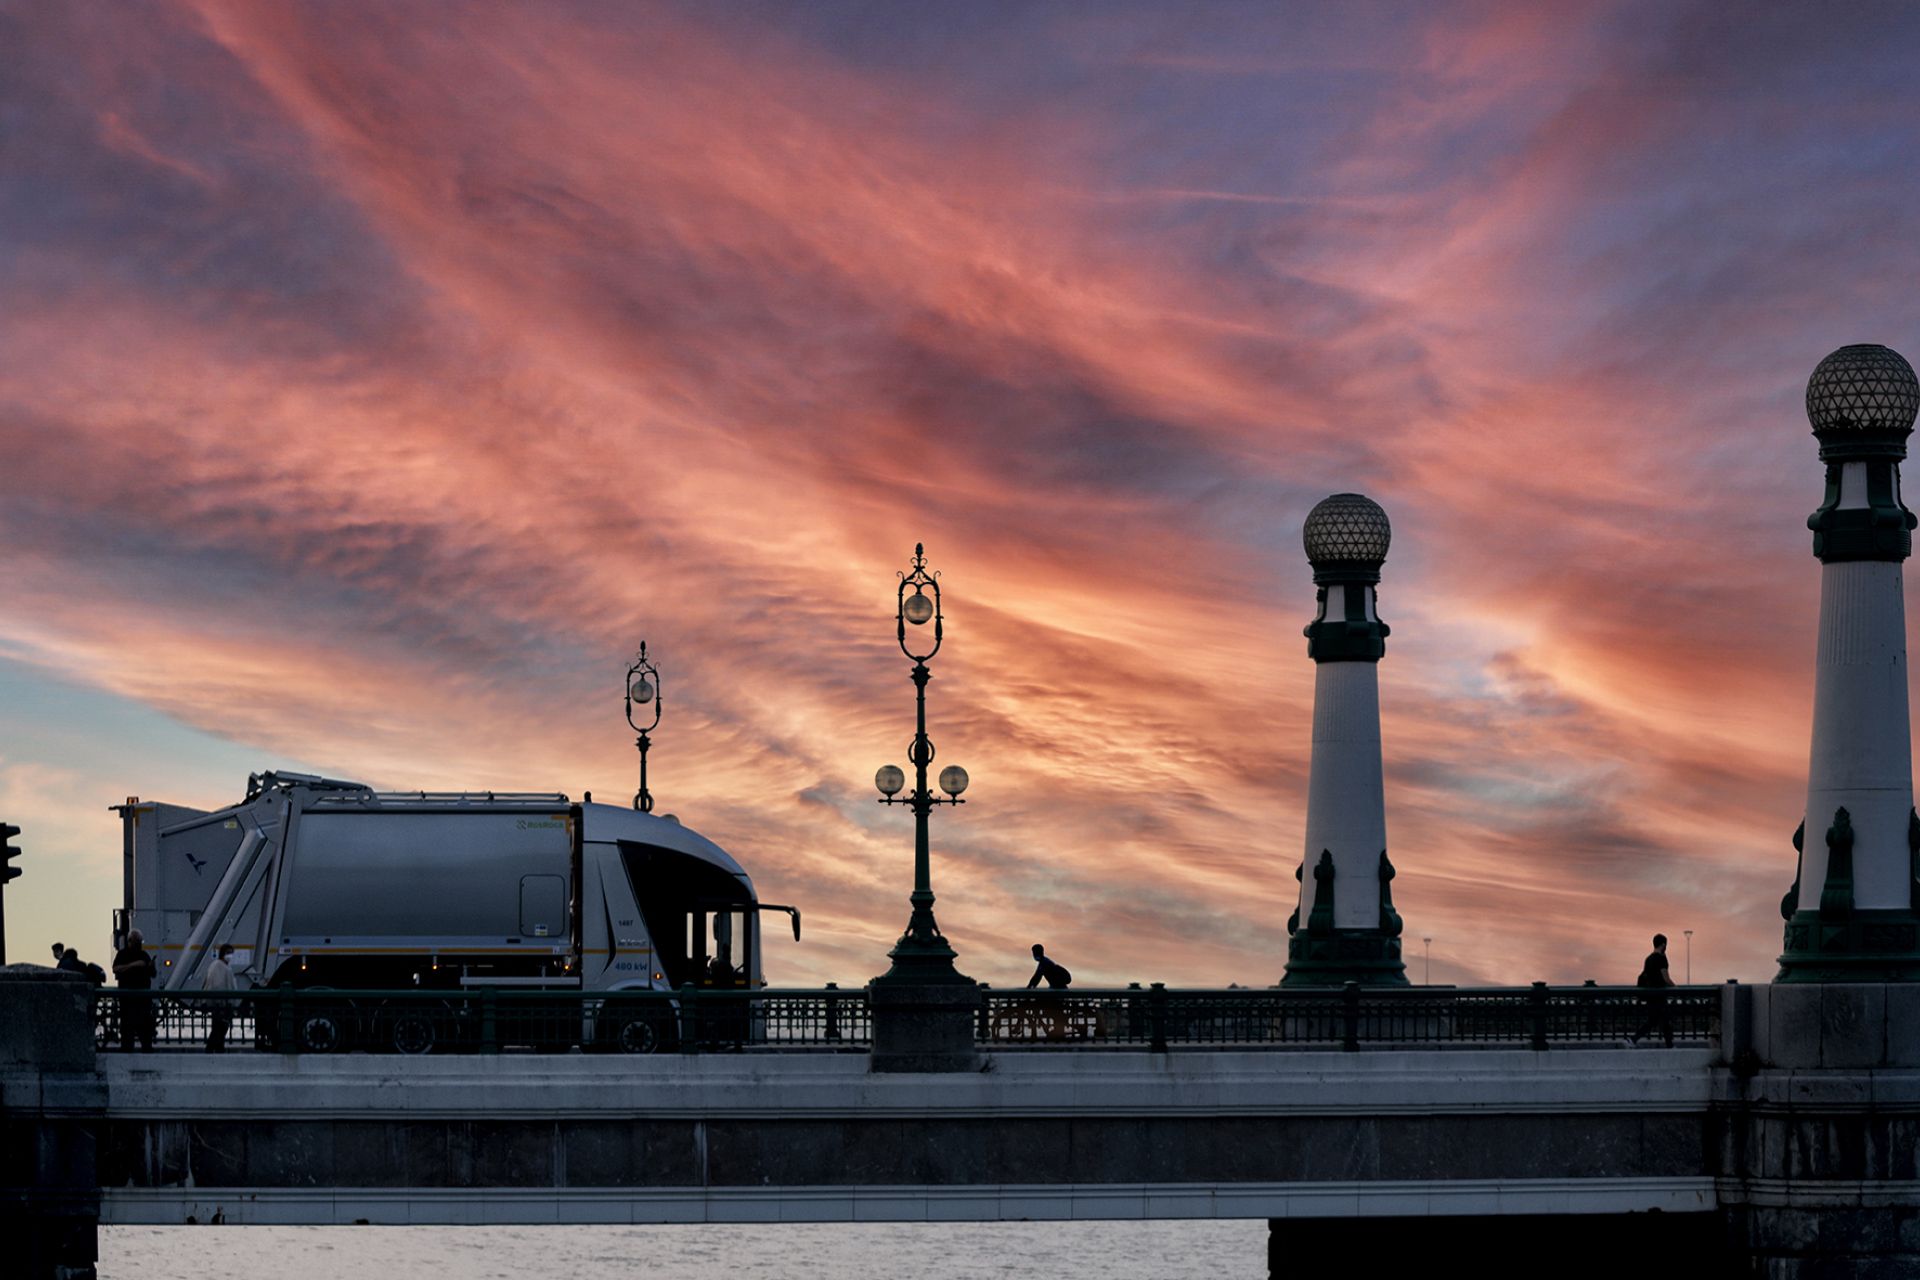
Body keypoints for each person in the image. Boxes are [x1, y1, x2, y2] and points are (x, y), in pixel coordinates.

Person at [113, 929, 158, 1051]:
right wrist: (134, 965)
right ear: (130, 941)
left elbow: (153, 974)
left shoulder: (144, 955)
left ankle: (144, 1049)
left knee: (144, 1031)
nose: (139, 944)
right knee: (129, 1030)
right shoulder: (123, 955)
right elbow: (115, 969)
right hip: (129, 1000)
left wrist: (151, 967)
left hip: (141, 1000)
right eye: (137, 942)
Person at [1630, 933, 1674, 1047]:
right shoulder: (1662, 958)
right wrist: (1675, 988)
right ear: (1663, 944)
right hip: (1660, 995)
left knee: (1653, 1021)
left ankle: (1633, 1039)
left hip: (1650, 995)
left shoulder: (1648, 959)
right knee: (1665, 1021)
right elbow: (1666, 978)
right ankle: (1669, 1046)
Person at [1025, 944, 1073, 1040]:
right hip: (1058, 989)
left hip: (1058, 990)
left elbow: (1036, 978)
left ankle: (1056, 1030)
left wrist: (1028, 988)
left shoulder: (1044, 963)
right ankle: (1055, 1029)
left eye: (1034, 953)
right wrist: (1030, 986)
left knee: (1049, 1009)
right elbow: (1036, 978)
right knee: (1049, 1008)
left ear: (1037, 953)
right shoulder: (1045, 961)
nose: (1034, 955)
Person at [201, 943, 238, 1053]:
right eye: (228, 953)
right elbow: (217, 985)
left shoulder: (220, 966)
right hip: (220, 1004)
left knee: (219, 1027)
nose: (230, 955)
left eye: (231, 953)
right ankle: (215, 1048)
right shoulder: (219, 966)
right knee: (219, 1028)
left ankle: (215, 1048)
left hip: (221, 1003)